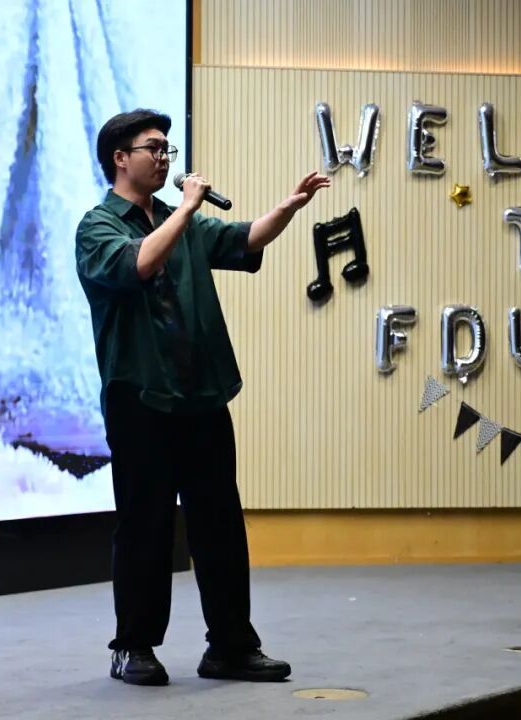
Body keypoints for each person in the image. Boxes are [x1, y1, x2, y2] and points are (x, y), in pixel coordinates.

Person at [75, 108, 330, 686]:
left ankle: (231, 647)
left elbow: (242, 239)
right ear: (121, 158)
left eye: (167, 148)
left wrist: (287, 209)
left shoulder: (179, 220)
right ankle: (133, 647)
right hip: (140, 397)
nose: (165, 157)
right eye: (154, 148)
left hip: (201, 393)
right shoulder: (98, 226)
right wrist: (187, 208)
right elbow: (139, 264)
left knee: (220, 524)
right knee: (145, 525)